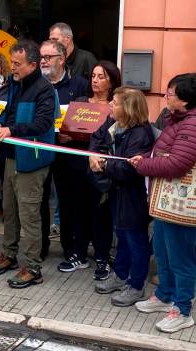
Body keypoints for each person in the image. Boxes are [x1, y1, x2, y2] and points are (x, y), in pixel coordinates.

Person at [129, 73, 196, 333]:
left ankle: (182, 309)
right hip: (167, 202)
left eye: (170, 94)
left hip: (182, 203)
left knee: (181, 257)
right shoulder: (176, 119)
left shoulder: (192, 124)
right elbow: (164, 151)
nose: (166, 97)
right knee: (163, 249)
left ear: (185, 100)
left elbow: (178, 163)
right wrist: (145, 157)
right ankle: (164, 294)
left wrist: (143, 165)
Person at [0, 39, 57, 289]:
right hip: (10, 156)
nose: (12, 68)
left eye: (17, 64)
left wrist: (10, 129)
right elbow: (8, 112)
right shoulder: (16, 84)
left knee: (29, 216)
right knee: (9, 210)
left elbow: (42, 124)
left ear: (33, 64)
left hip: (32, 161)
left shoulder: (44, 89)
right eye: (12, 62)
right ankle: (9, 254)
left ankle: (33, 267)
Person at [89, 87, 155, 306]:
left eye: (115, 103)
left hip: (134, 196)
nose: (110, 106)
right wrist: (93, 156)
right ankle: (120, 275)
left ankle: (136, 285)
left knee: (135, 239)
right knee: (122, 235)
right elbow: (96, 138)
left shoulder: (140, 134)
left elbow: (129, 170)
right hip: (117, 193)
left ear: (127, 108)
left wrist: (104, 165)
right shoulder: (114, 125)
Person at [40, 40, 92, 273]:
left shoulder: (80, 85)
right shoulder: (36, 84)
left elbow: (90, 119)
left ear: (61, 60)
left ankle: (71, 248)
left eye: (48, 57)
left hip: (69, 154)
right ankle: (40, 247)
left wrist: (75, 136)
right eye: (41, 56)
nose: (43, 61)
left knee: (70, 202)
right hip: (39, 150)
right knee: (39, 201)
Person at [75, 61, 121, 282]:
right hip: (76, 164)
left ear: (111, 80)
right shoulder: (81, 103)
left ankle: (102, 256)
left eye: (101, 76)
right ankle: (79, 252)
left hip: (102, 168)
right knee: (79, 209)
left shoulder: (116, 106)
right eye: (93, 75)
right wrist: (65, 134)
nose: (95, 80)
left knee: (101, 213)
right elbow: (66, 129)